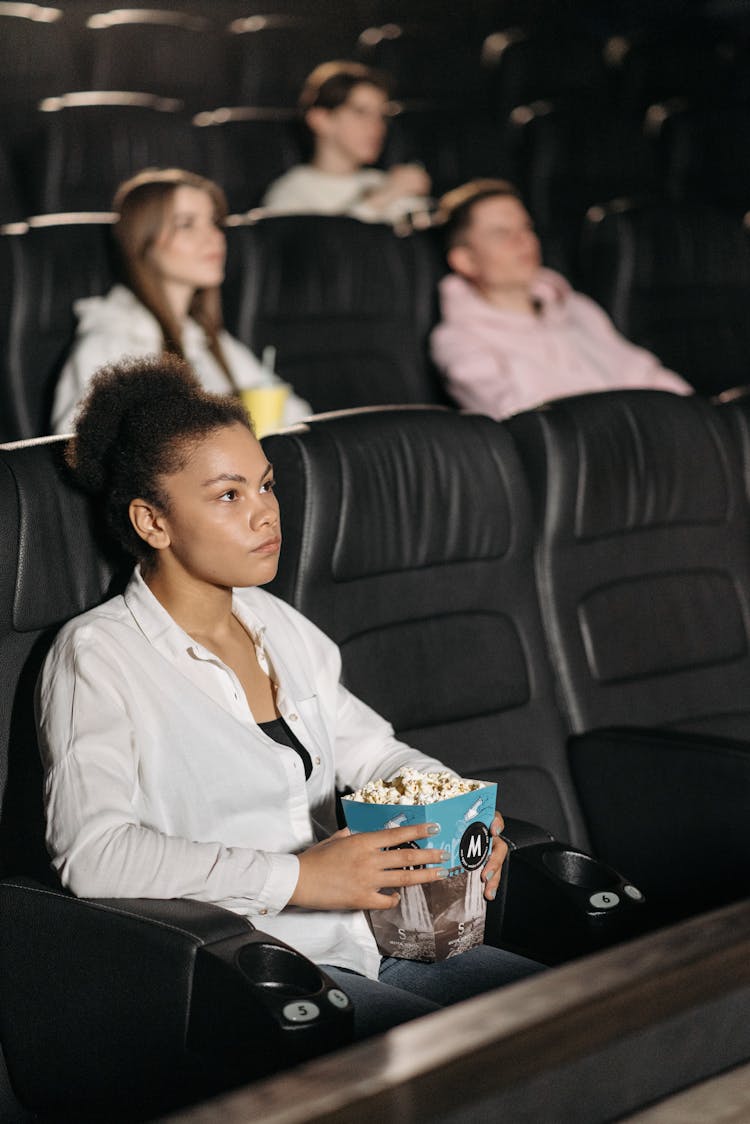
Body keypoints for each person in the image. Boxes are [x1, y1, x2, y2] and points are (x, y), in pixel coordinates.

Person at [36, 356, 541, 1040]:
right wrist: (297, 879)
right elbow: (93, 854)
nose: (266, 513)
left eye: (266, 486)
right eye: (228, 495)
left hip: (376, 943)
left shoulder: (274, 622)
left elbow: (374, 752)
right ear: (152, 523)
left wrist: (459, 813)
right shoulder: (96, 653)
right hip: (252, 973)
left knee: (578, 1015)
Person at [51, 168, 311, 435]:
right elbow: (78, 450)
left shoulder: (206, 337)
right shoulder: (112, 341)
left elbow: (296, 415)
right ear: (143, 242)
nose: (214, 237)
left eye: (214, 222)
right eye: (187, 224)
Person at [430, 179, 693, 420]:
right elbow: (523, 421)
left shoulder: (577, 307)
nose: (523, 241)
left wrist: (700, 417)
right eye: (501, 233)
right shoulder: (459, 339)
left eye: (526, 227)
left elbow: (644, 374)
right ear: (465, 260)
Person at [262, 61, 432, 226]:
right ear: (321, 120)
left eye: (381, 116)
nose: (377, 127)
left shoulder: (383, 182)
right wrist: (381, 199)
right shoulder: (291, 193)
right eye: (361, 112)